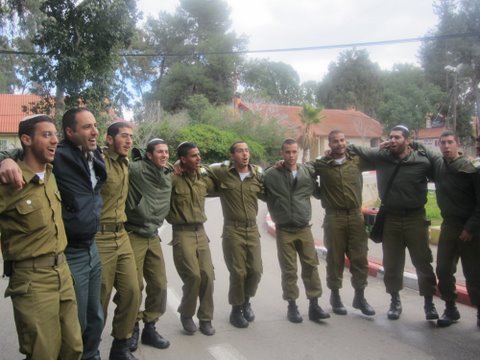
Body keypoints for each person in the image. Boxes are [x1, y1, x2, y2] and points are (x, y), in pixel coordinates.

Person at [0, 108, 107, 360]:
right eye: (47, 135)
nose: (54, 140)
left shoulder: (50, 175)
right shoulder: (11, 181)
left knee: (73, 346)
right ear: (27, 140)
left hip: (62, 270)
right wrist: (3, 159)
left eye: (55, 135)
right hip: (32, 277)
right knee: (43, 352)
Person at [349, 125, 438, 321]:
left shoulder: (422, 162)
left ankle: (429, 303)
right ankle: (395, 301)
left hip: (415, 218)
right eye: (391, 137)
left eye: (397, 137)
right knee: (392, 262)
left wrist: (417, 144)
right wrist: (334, 149)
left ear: (407, 140)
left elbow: (440, 161)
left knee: (423, 261)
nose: (393, 141)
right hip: (391, 218)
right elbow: (355, 148)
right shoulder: (382, 156)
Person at [263, 138, 330, 323]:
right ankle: (292, 306)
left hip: (303, 228)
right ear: (281, 153)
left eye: (294, 152)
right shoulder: (271, 175)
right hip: (284, 230)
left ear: (298, 152)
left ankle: (314, 305)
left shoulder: (307, 171)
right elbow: (260, 192)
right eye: (287, 152)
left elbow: (322, 176)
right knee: (289, 270)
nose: (291, 156)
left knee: (311, 266)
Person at [419, 131, 480, 327]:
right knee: (443, 269)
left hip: (471, 229)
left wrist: (470, 228)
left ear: (458, 144)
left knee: (474, 274)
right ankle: (451, 309)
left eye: (450, 142)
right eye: (442, 143)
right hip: (449, 225)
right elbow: (423, 150)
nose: (446, 146)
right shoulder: (439, 165)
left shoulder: (471, 168)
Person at [313, 130, 375, 316]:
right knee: (335, 258)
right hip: (334, 217)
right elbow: (306, 178)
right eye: (335, 141)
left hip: (356, 216)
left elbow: (379, 157)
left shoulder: (357, 161)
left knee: (360, 257)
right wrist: (321, 194)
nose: (339, 144)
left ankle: (360, 297)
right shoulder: (321, 164)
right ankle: (335, 296)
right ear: (329, 144)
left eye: (342, 140)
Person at [95, 121, 140, 360]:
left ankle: (120, 346)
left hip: (122, 235)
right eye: (124, 136)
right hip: (98, 237)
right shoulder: (96, 160)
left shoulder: (126, 164)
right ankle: (90, 349)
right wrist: (10, 158)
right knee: (99, 299)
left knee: (132, 291)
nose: (129, 141)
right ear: (109, 138)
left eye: (131, 137)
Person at [209, 141, 264, 328]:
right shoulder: (222, 172)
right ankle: (236, 309)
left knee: (255, 270)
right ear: (232, 155)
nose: (245, 154)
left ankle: (246, 301)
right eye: (240, 151)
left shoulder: (257, 174)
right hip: (232, 230)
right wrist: (178, 165)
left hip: (253, 229)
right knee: (238, 272)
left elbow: (270, 190)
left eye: (247, 150)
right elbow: (202, 170)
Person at [125, 139, 172, 351]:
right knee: (134, 287)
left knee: (160, 284)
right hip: (133, 234)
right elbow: (114, 161)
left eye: (166, 152)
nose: (164, 155)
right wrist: (8, 160)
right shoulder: (135, 170)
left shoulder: (168, 174)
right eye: (160, 152)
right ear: (149, 155)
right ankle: (132, 326)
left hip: (153, 236)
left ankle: (150, 326)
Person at [166, 142, 216, 336]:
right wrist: (173, 166)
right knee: (193, 276)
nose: (198, 158)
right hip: (182, 232)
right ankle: (186, 314)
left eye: (199, 155)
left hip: (201, 232)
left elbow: (224, 171)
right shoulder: (173, 178)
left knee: (208, 276)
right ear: (183, 159)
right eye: (194, 156)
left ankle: (206, 318)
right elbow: (159, 176)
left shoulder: (204, 178)